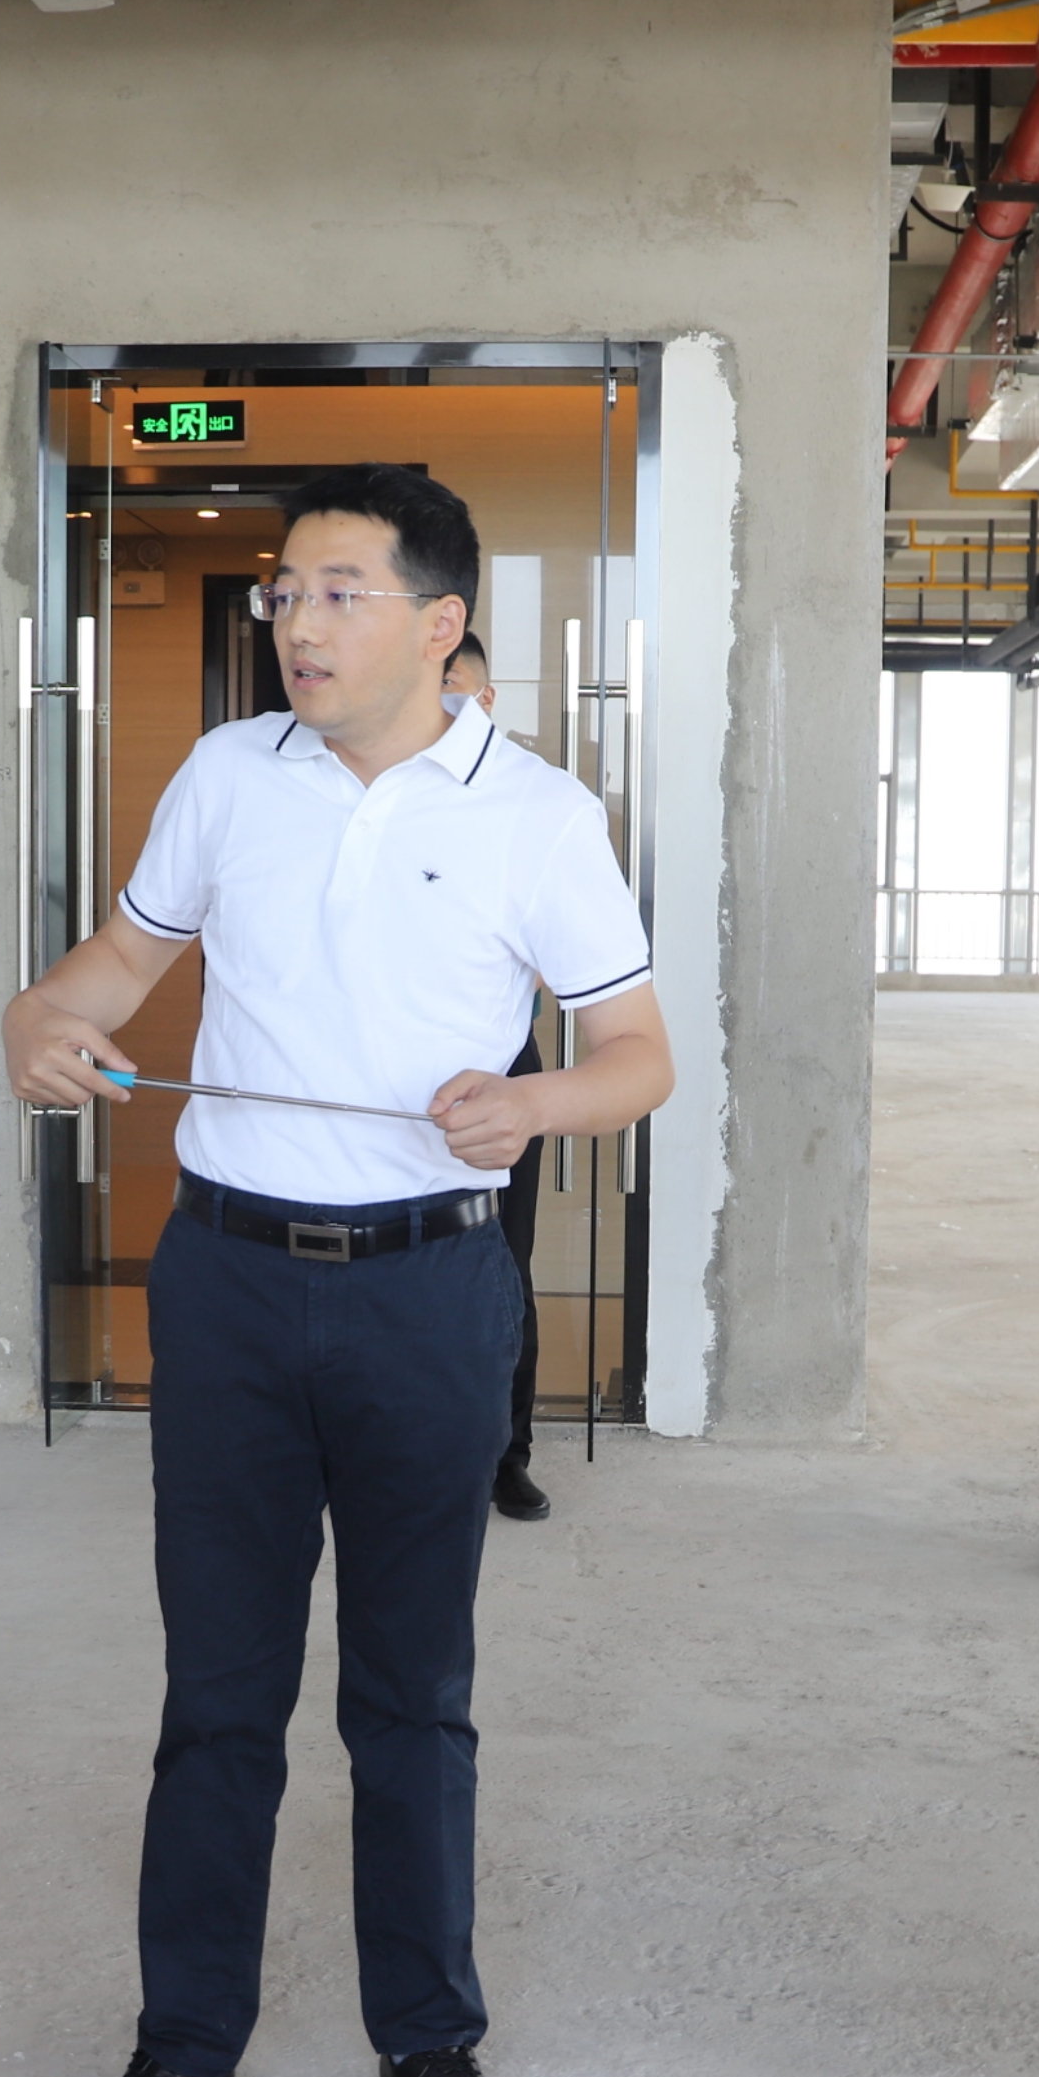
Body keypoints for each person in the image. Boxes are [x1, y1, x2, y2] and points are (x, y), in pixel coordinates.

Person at [1, 465, 671, 2077]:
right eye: (283, 590)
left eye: (336, 592)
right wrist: (36, 1018)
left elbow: (639, 1058)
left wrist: (535, 1100)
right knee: (218, 1688)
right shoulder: (229, 775)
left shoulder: (542, 814)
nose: (295, 621)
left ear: (441, 625)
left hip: (430, 1289)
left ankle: (427, 2044)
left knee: (411, 1693)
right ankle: (183, 2048)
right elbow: (112, 967)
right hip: (225, 1281)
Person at [446, 630, 554, 1525]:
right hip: (380, 1074)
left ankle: (504, 1454)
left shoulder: (531, 801)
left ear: (487, 699)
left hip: (501, 1070)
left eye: (458, 685)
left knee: (500, 1263)